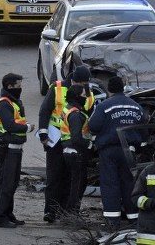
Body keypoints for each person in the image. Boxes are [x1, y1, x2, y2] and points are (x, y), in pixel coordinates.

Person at [37, 66, 95, 223]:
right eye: (82, 83)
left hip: (73, 141)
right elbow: (45, 111)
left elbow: (90, 115)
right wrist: (43, 133)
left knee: (72, 178)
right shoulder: (57, 88)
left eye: (86, 83)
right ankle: (50, 211)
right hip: (55, 139)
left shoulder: (89, 93)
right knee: (54, 176)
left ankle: (65, 212)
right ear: (74, 80)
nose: (84, 86)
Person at [88, 75, 146, 229]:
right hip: (129, 151)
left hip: (109, 151)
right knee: (129, 183)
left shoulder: (105, 106)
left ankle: (112, 220)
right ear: (123, 88)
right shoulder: (136, 106)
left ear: (110, 89)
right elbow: (144, 128)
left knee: (110, 183)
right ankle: (133, 217)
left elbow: (93, 125)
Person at [0, 72, 33, 228]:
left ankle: (8, 214)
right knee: (5, 184)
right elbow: (9, 126)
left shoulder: (14, 102)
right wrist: (27, 128)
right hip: (7, 149)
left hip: (15, 149)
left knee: (13, 183)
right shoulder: (4, 104)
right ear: (9, 86)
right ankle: (0, 218)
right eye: (18, 86)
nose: (20, 88)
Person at [61, 83, 92, 216]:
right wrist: (90, 144)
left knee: (72, 183)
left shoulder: (67, 109)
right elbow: (76, 138)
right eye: (84, 95)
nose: (86, 98)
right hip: (76, 153)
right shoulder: (76, 114)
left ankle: (68, 211)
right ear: (77, 96)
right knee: (78, 185)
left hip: (68, 151)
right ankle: (72, 213)